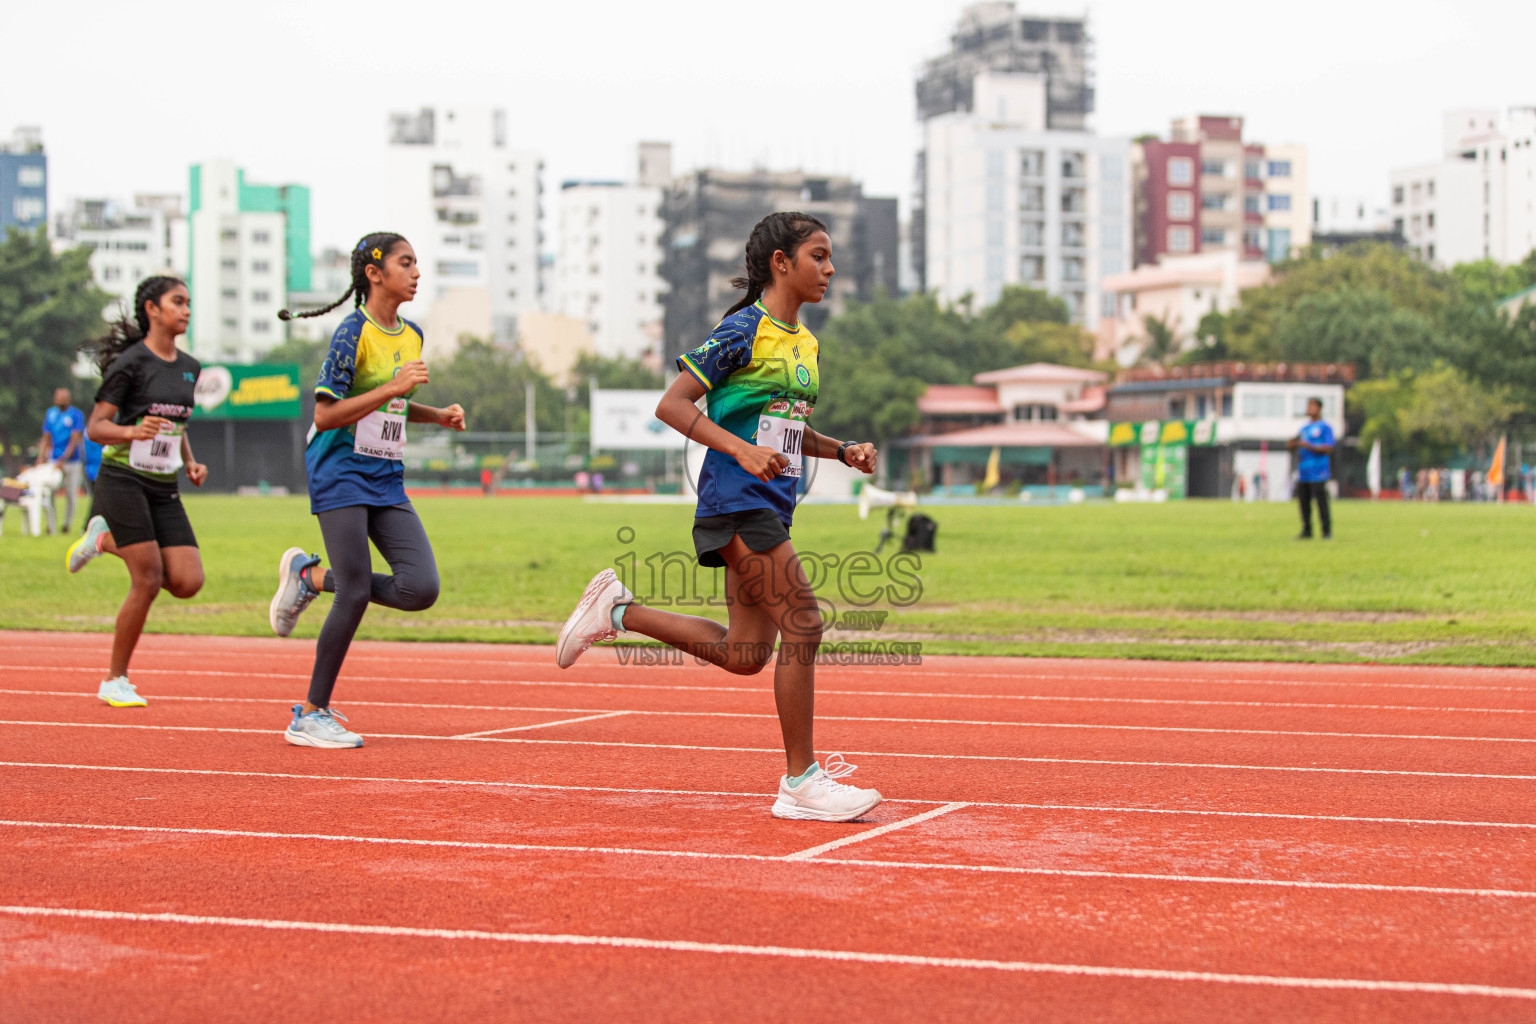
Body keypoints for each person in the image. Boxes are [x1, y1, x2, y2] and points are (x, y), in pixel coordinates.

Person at [554, 212, 883, 823]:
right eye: (818, 255)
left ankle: (617, 610)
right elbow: (672, 405)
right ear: (781, 263)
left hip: (771, 507)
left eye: (831, 256)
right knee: (804, 624)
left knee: (745, 652)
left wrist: (839, 449)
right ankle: (801, 781)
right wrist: (739, 450)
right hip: (736, 502)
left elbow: (781, 424)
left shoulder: (805, 343)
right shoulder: (739, 332)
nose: (831, 268)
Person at [266, 231, 465, 749]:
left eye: (418, 262)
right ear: (375, 273)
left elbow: (390, 405)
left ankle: (309, 576)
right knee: (354, 592)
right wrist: (396, 388)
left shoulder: (412, 333)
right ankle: (310, 714)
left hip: (385, 476)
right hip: (339, 470)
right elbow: (327, 413)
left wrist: (434, 415)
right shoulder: (352, 333)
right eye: (406, 263)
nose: (417, 272)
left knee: (419, 589)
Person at [65, 276, 208, 707]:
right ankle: (115, 679)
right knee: (147, 579)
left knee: (186, 581)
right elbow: (96, 428)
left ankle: (103, 539)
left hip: (164, 483)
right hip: (122, 478)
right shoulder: (129, 363)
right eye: (177, 302)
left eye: (188, 302)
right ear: (152, 309)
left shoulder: (190, 366)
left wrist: (189, 461)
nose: (186, 309)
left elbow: (176, 421)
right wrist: (131, 430)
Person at [36, 387, 86, 533]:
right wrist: (41, 456)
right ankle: (51, 525)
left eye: (62, 397)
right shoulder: (50, 413)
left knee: (71, 493)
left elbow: (75, 438)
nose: (59, 400)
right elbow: (46, 436)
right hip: (53, 459)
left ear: (67, 399)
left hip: (72, 461)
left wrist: (64, 459)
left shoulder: (76, 414)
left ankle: (66, 524)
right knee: (49, 492)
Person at [1288, 396, 1334, 539]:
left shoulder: (1325, 427)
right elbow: (1293, 444)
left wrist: (1309, 446)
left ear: (1319, 408)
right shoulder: (1304, 428)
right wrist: (1292, 444)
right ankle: (1307, 530)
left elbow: (1328, 448)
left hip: (1319, 471)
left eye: (1311, 406)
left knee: (1321, 503)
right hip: (1304, 472)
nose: (1308, 409)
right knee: (1304, 504)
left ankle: (1326, 532)